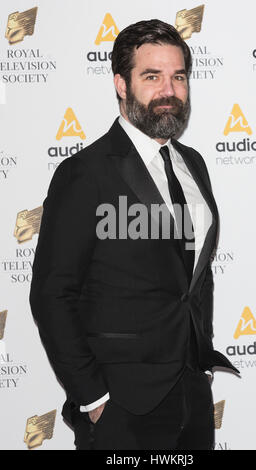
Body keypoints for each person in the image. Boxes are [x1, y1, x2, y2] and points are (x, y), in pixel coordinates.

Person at [29, 19, 238, 450]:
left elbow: (193, 276)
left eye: (178, 77)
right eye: (151, 76)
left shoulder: (193, 163)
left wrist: (200, 359)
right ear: (121, 84)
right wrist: (93, 396)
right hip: (121, 406)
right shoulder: (85, 174)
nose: (169, 90)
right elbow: (52, 293)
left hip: (191, 396)